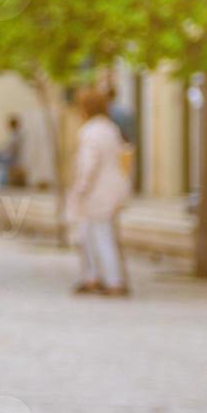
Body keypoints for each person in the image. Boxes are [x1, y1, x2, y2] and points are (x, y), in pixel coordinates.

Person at [68, 88, 132, 296]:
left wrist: (81, 188)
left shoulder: (90, 131)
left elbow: (89, 163)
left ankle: (113, 281)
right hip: (112, 188)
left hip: (97, 191)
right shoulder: (110, 128)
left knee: (100, 235)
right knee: (90, 234)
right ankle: (92, 277)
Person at [0, 115, 24, 190]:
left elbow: (8, 149)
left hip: (11, 157)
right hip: (10, 156)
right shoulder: (15, 135)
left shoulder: (15, 136)